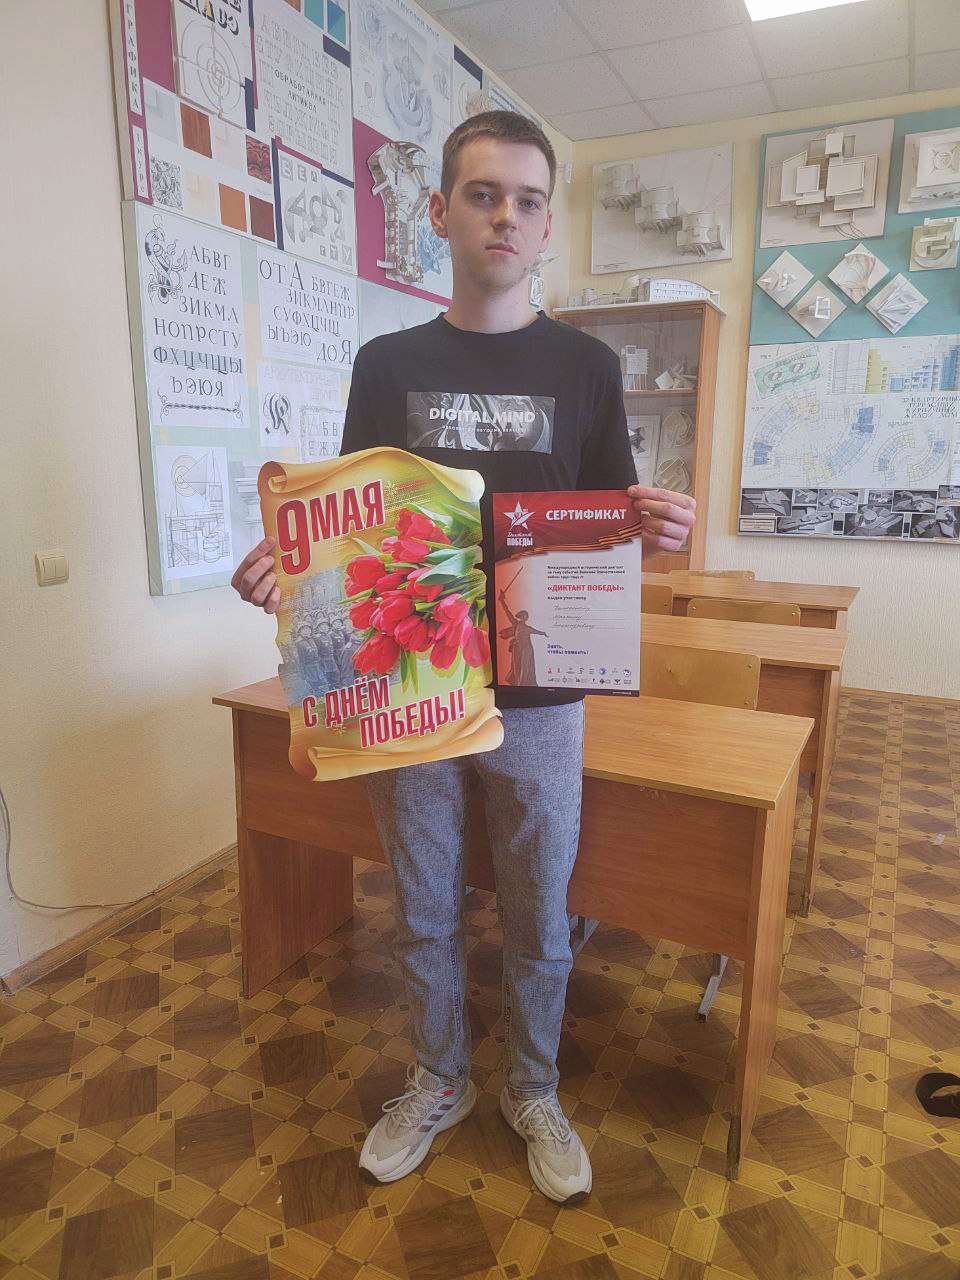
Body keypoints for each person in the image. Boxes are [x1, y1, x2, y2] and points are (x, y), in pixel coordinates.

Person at [231, 111, 696, 1206]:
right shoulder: (387, 363)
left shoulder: (587, 366)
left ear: (547, 226)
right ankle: (438, 1078)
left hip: (542, 692)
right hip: (412, 691)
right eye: (484, 194)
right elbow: (352, 528)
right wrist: (291, 573)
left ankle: (533, 1087)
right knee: (425, 907)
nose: (506, 217)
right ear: (439, 213)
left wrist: (659, 531)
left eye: (529, 200)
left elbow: (606, 525)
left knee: (540, 912)